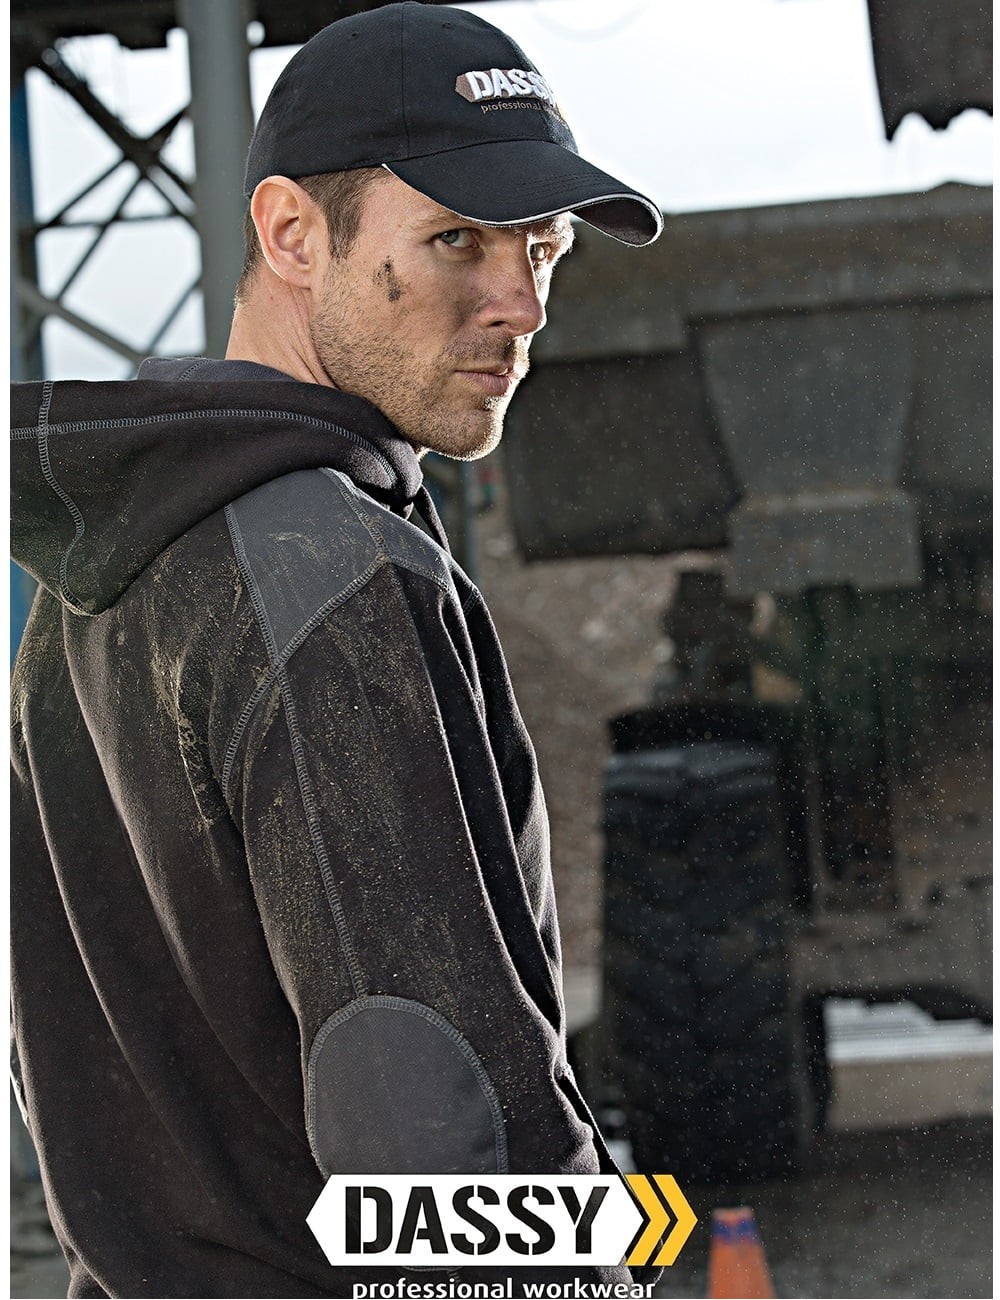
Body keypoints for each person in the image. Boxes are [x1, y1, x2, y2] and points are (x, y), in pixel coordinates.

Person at [10, 4, 661, 1296]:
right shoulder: (337, 578)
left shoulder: (92, 582)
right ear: (293, 236)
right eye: (457, 240)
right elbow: (445, 1162)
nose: (522, 306)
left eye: (541, 247)